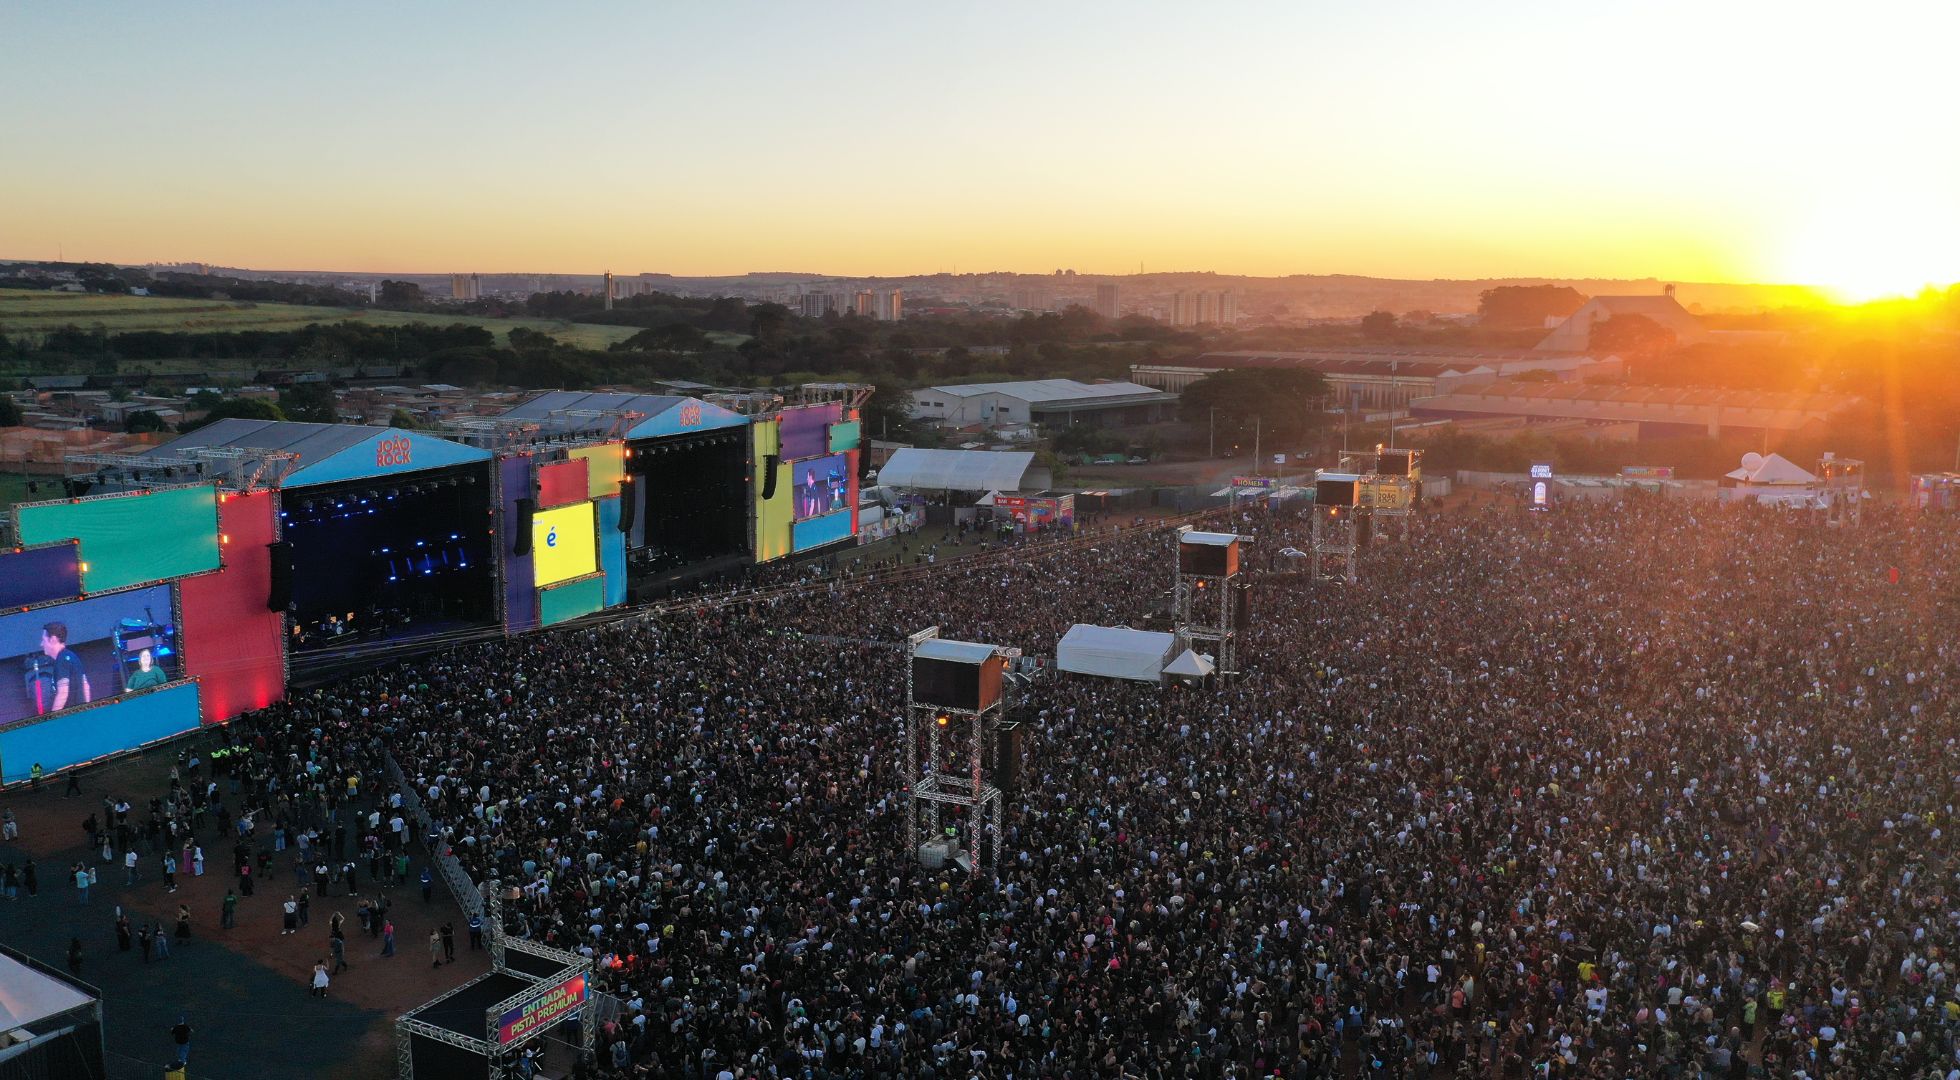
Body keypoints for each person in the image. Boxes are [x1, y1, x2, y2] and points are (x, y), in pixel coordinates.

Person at [33, 623, 89, 714]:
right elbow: (86, 686)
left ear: (53, 639)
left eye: (44, 640)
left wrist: (53, 719)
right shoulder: (72, 656)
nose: (41, 644)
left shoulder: (61, 660)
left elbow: (63, 693)